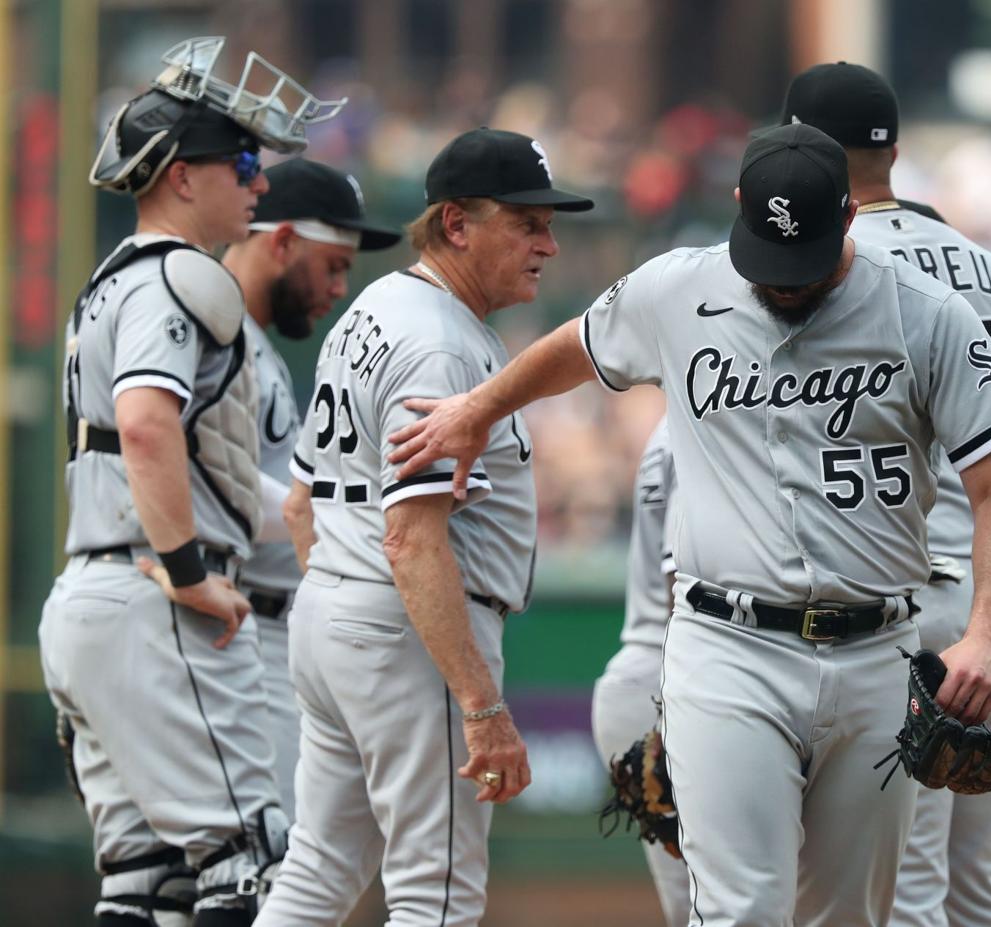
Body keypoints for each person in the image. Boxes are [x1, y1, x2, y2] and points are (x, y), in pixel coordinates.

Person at [388, 122, 991, 927]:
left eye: (802, 264)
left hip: (879, 650)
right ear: (739, 209)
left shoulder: (928, 315)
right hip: (731, 648)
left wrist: (988, 632)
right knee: (742, 912)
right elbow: (580, 345)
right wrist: (480, 408)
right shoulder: (678, 286)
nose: (784, 282)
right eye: (768, 257)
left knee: (853, 917)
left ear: (847, 217)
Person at [253, 127, 594, 926]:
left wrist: (343, 609)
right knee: (435, 890)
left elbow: (302, 503)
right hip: (408, 626)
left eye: (549, 223)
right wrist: (480, 703)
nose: (547, 242)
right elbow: (410, 538)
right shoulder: (437, 343)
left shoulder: (376, 306)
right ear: (456, 224)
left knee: (318, 869)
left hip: (339, 610)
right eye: (526, 222)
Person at [39, 37, 342, 926]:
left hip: (85, 604)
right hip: (152, 598)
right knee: (253, 864)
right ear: (178, 173)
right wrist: (185, 570)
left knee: (147, 886)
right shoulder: (181, 276)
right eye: (243, 162)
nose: (258, 185)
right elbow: (144, 420)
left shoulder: (108, 282)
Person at [780, 61, 991, 927]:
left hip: (901, 600)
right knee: (977, 879)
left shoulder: (817, 265)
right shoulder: (990, 268)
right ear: (896, 151)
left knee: (904, 889)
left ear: (795, 150)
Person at [221, 157, 402, 818]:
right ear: (283, 241)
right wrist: (332, 515)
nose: (339, 287)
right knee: (257, 868)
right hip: (237, 628)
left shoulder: (251, 345)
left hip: (268, 630)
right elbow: (202, 485)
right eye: (332, 265)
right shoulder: (217, 339)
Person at [591, 416, 691, 926]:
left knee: (701, 905)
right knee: (713, 902)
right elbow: (686, 587)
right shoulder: (705, 417)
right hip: (669, 674)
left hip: (643, 671)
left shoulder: (666, 426)